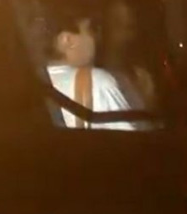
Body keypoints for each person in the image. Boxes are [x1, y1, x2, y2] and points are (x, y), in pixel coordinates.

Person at [43, 1, 136, 130]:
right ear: (67, 40)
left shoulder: (28, 85)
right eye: (90, 30)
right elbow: (135, 141)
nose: (96, 38)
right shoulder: (97, 83)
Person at [101, 0, 158, 111]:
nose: (124, 33)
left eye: (129, 26)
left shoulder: (142, 79)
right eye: (118, 24)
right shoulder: (92, 78)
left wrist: (148, 100)